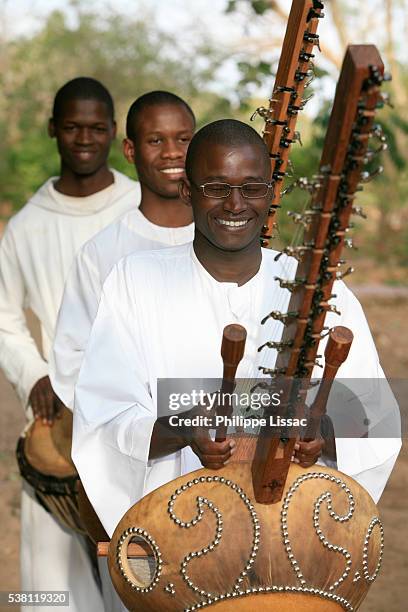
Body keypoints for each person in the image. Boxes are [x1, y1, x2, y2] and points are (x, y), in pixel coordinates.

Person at [72, 119, 401, 540]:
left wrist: (324, 434)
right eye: (216, 187)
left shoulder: (322, 290)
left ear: (271, 193)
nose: (235, 204)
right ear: (188, 191)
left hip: (294, 536)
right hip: (177, 538)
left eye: (251, 188)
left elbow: (381, 417)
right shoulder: (134, 281)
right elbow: (104, 417)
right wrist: (181, 429)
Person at [0, 77, 140, 611]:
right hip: (57, 415)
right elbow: (5, 319)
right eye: (73, 127)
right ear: (53, 130)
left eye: (97, 127)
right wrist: (34, 373)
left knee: (138, 571)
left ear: (113, 133)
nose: (85, 138)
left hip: (130, 413)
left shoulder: (139, 208)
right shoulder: (26, 227)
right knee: (52, 587)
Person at [50, 91, 195, 410]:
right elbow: (71, 362)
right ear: (130, 150)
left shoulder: (228, 239)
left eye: (183, 139)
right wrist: (145, 424)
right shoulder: (100, 254)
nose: (172, 153)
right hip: (142, 447)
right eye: (156, 141)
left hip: (230, 442)